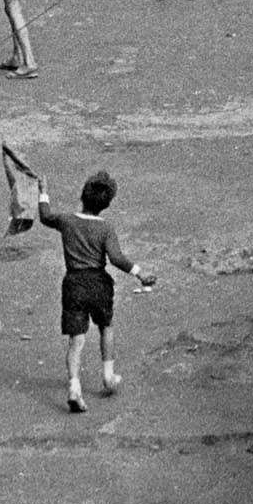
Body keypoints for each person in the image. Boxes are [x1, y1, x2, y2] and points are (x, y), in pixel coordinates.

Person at [38, 168, 157, 412]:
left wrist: (43, 192)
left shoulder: (67, 221)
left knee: (76, 340)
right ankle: (108, 376)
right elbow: (116, 258)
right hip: (99, 284)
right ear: (106, 204)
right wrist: (139, 272)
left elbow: (45, 216)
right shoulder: (106, 228)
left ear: (83, 196)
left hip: (73, 284)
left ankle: (74, 387)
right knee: (106, 327)